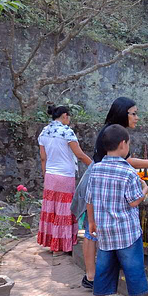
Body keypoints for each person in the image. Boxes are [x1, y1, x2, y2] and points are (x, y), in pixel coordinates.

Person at [76, 97, 148, 290]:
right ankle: (91, 276)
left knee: (93, 229)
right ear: (122, 113)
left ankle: (93, 276)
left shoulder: (112, 131)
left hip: (98, 179)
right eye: (133, 113)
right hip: (98, 181)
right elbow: (127, 161)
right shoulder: (114, 134)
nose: (137, 117)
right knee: (91, 230)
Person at [85, 124, 148, 296]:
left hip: (104, 231)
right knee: (133, 267)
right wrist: (145, 191)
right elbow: (133, 201)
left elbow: (90, 199)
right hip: (127, 232)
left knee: (103, 267)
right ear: (123, 144)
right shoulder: (129, 173)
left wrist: (92, 223)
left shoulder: (95, 170)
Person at [37, 105, 92, 254]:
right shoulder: (67, 132)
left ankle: (51, 243)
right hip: (65, 176)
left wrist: (45, 174)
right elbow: (79, 154)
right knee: (64, 211)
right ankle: (61, 245)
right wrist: (94, 166)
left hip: (50, 175)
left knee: (51, 209)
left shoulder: (44, 132)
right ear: (65, 116)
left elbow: (43, 158)